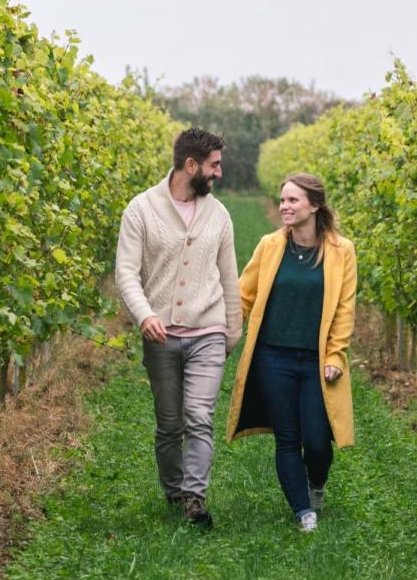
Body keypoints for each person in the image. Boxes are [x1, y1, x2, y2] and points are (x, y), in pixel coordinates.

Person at [115, 128, 242, 528]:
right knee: (169, 425)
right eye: (214, 165)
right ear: (191, 166)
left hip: (208, 331)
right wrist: (145, 315)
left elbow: (229, 278)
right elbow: (126, 273)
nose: (219, 173)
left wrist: (230, 332)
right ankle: (173, 491)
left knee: (199, 416)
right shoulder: (141, 210)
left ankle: (194, 499)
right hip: (161, 335)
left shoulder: (218, 215)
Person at [226, 173, 357, 532]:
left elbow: (344, 309)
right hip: (272, 357)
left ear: (314, 205)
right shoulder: (270, 246)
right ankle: (303, 512)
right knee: (287, 438)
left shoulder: (341, 251)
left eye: (293, 201)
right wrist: (221, 333)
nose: (284, 206)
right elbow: (243, 295)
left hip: (315, 361)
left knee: (317, 441)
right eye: (282, 200)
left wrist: (334, 356)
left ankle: (316, 483)